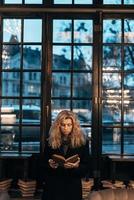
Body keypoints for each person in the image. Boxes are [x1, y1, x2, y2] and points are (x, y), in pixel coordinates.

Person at [42, 110, 89, 200]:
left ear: (74, 126)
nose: (66, 128)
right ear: (58, 126)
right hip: (53, 187)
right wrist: (50, 165)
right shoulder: (50, 141)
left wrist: (76, 166)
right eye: (63, 125)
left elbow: (86, 167)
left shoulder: (83, 142)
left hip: (72, 186)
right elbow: (42, 164)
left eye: (69, 125)